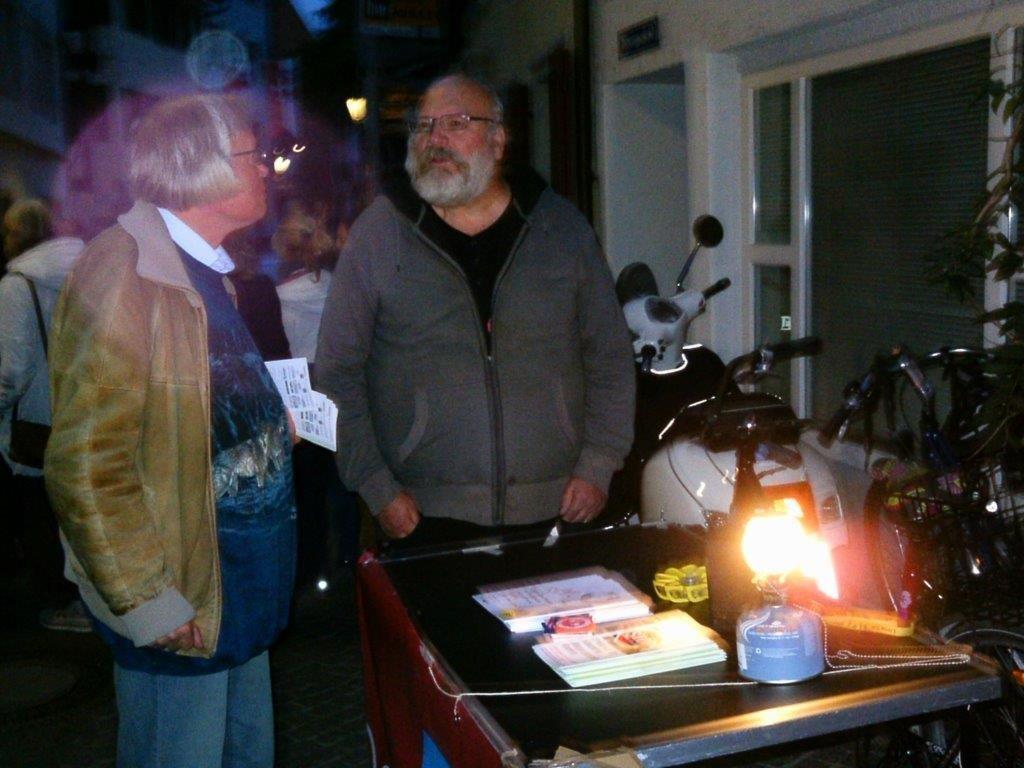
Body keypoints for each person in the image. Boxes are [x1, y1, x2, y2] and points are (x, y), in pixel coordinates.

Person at [45, 93, 297, 768]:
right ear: (201, 167)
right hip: (182, 602)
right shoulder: (125, 272)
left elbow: (191, 415)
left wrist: (270, 428)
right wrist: (147, 601)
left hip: (236, 591)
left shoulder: (207, 271)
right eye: (253, 155)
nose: (267, 169)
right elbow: (85, 462)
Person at [316, 74, 635, 547]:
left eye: (456, 123)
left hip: (557, 506)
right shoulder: (380, 234)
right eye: (424, 125)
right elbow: (337, 373)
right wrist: (376, 487)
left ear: (498, 140)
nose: (435, 139)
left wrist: (598, 464)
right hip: (421, 512)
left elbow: (609, 356)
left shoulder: (560, 229)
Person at [0, 198, 87, 630]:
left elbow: (12, 368)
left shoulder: (16, 286)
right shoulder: (87, 270)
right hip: (84, 412)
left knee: (39, 513)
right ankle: (91, 597)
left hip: (37, 420)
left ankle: (64, 602)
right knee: (80, 513)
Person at [274, 208, 361, 580]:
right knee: (342, 477)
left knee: (307, 484)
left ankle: (312, 564)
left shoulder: (279, 295)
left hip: (300, 385)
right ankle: (349, 556)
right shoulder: (339, 285)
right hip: (337, 381)